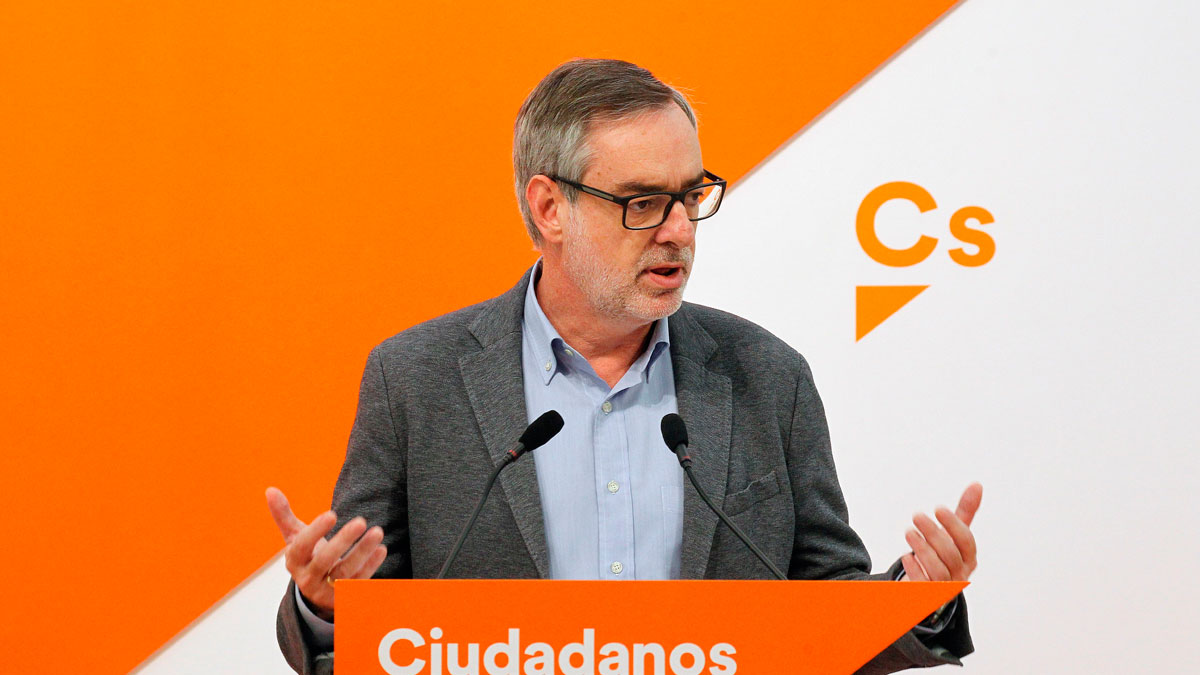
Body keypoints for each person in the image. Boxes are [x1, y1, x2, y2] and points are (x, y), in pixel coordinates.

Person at [267, 58, 981, 675]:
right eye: (644, 203)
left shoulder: (767, 376)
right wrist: (324, 606)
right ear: (549, 207)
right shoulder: (416, 379)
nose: (679, 230)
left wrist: (909, 599)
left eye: (690, 196)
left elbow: (824, 607)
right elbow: (357, 617)